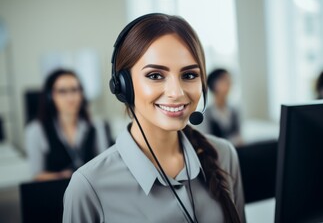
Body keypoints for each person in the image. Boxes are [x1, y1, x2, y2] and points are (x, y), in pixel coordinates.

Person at [63, 13, 246, 223]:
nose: (176, 92)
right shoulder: (88, 186)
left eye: (189, 75)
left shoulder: (223, 155)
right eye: (155, 76)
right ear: (123, 86)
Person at [25, 69, 113, 181]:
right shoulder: (36, 130)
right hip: (57, 192)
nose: (70, 97)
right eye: (62, 91)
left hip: (92, 191)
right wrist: (61, 176)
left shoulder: (97, 126)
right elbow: (36, 175)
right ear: (50, 96)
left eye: (74, 90)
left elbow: (105, 167)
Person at [196, 68, 242, 146]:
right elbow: (206, 141)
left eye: (229, 80)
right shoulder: (205, 115)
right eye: (225, 80)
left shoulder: (234, 110)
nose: (229, 83)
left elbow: (239, 137)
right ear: (214, 84)